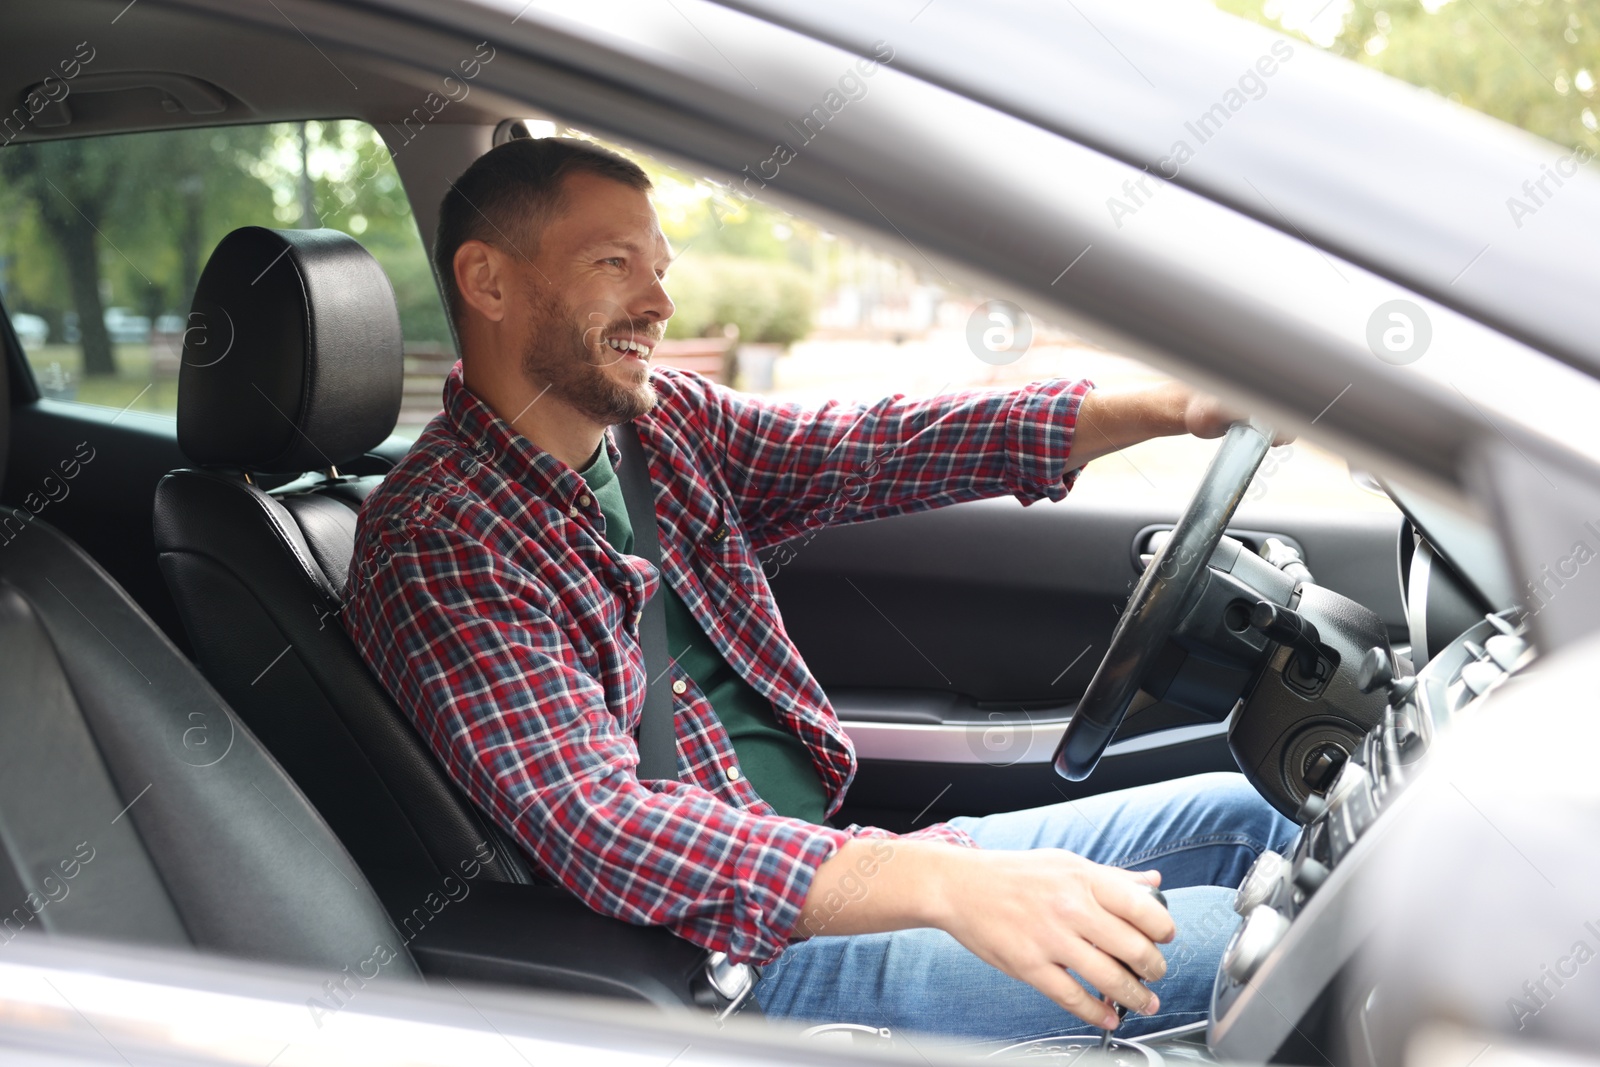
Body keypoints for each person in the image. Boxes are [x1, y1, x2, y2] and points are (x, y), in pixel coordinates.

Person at [343, 137, 1299, 1052]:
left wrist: (1169, 408)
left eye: (659, 266)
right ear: (489, 281)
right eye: (614, 263)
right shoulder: (438, 539)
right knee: (1278, 954)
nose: (660, 300)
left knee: (1256, 815)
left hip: (840, 866)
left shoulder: (655, 428)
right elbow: (603, 824)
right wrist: (944, 885)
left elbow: (873, 448)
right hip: (735, 971)